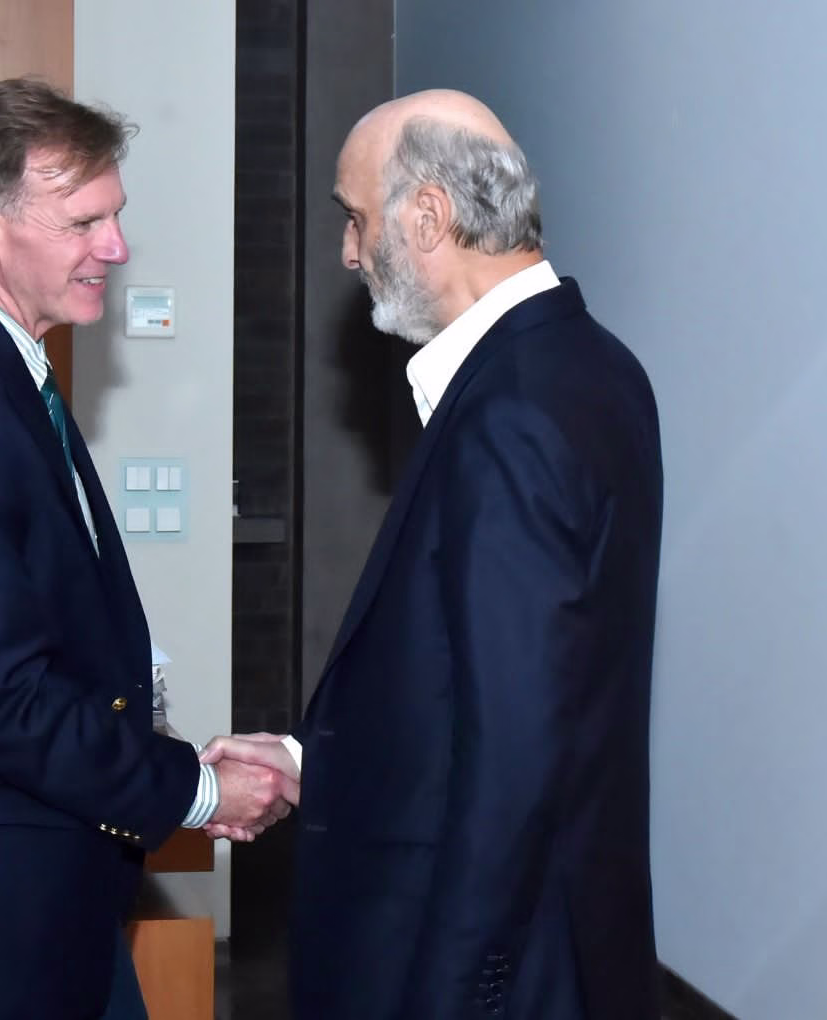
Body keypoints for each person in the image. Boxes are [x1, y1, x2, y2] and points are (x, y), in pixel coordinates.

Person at [0, 78, 294, 1020]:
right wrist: (197, 790)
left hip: (33, 898)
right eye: (83, 223)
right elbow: (6, 700)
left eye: (115, 216)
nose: (115, 247)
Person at [204, 89, 664, 1018]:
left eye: (355, 217)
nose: (348, 251)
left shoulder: (512, 410)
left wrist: (456, 997)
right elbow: (472, 682)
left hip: (490, 972)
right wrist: (311, 757)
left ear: (427, 216)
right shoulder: (593, 366)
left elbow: (516, 755)